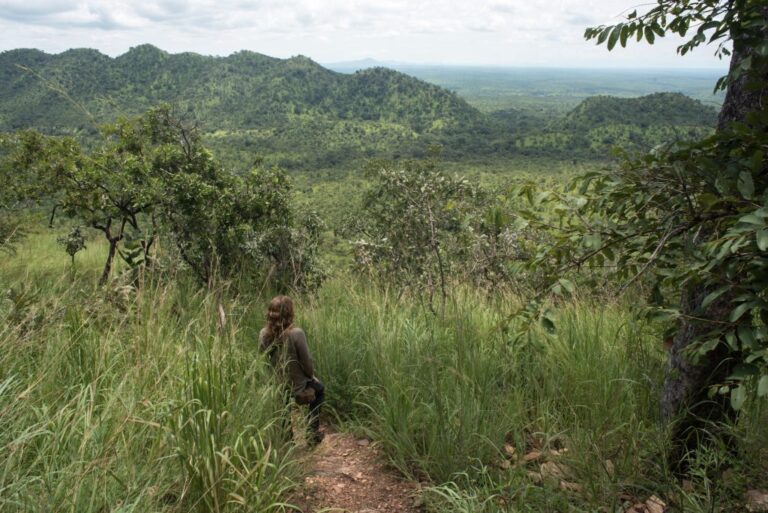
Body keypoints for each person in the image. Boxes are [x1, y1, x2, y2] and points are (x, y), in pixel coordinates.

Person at [259, 295, 325, 445]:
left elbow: (263, 362)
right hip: (298, 386)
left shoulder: (263, 334)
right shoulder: (296, 333)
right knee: (320, 390)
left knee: (282, 402)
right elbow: (307, 364)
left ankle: (287, 437)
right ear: (290, 313)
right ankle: (312, 434)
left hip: (277, 386)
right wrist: (311, 377)